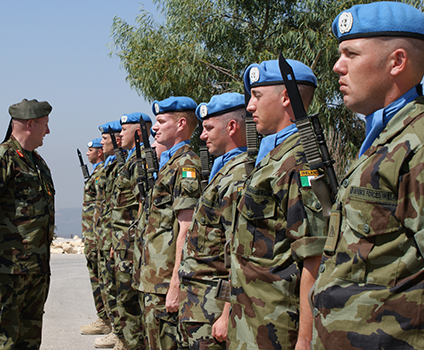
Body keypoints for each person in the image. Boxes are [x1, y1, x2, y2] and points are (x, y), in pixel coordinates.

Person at [312, 3, 424, 349]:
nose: (337, 66)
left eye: (351, 54)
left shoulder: (417, 143)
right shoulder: (382, 139)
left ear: (397, 62)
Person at [228, 60, 326, 350]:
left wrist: (306, 339)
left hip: (277, 326)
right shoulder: (272, 156)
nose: (249, 106)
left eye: (257, 96)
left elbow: (314, 253)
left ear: (286, 97)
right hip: (250, 318)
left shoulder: (299, 160)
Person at [0, 98, 55, 349]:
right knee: (3, 341)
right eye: (45, 125)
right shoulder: (1, 157)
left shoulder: (38, 164)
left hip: (36, 269)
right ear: (30, 124)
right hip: (8, 270)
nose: (48, 131)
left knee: (29, 340)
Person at [178, 92, 251, 349]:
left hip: (214, 306)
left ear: (232, 127)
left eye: (208, 128)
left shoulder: (240, 175)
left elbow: (238, 251)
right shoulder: (224, 171)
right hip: (200, 301)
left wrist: (227, 312)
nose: (202, 135)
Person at [137, 96, 202, 350]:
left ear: (181, 124)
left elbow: (185, 228)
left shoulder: (186, 165)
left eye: (161, 121)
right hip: (154, 279)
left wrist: (175, 284)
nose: (155, 127)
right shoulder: (170, 165)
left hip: (165, 281)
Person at [110, 112, 153, 350]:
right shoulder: (130, 160)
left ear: (138, 133)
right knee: (124, 296)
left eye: (124, 131)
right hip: (122, 242)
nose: (119, 136)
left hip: (130, 244)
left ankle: (133, 344)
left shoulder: (139, 163)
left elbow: (141, 206)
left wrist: (133, 246)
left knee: (129, 299)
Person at [93, 120, 125, 349]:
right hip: (105, 235)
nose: (102, 142)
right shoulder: (113, 165)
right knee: (107, 282)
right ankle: (112, 325)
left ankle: (120, 332)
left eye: (105, 138)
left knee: (119, 287)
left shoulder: (127, 164)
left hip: (119, 238)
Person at [80, 138, 112, 336]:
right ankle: (104, 317)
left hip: (97, 234)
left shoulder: (102, 174)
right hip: (92, 234)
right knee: (97, 276)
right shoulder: (97, 173)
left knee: (102, 278)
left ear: (99, 152)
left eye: (90, 150)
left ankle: (107, 319)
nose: (87, 153)